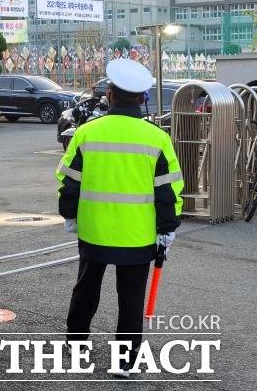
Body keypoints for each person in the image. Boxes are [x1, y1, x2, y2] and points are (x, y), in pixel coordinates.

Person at [55, 59, 184, 378]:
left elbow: (69, 182)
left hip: (94, 231)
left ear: (109, 96)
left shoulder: (86, 133)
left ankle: (76, 343)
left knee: (86, 287)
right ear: (142, 99)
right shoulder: (157, 139)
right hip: (137, 236)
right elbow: (167, 191)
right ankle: (125, 361)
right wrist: (167, 228)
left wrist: (69, 215)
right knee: (130, 297)